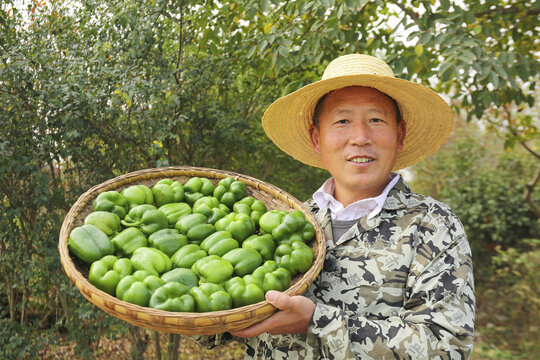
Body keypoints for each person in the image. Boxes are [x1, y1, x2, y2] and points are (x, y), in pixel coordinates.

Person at [193, 54, 475, 359]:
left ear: (400, 134)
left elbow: (448, 346)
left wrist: (318, 321)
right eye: (342, 121)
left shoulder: (432, 225)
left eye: (376, 120)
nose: (360, 138)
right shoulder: (287, 219)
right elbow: (216, 318)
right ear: (317, 138)